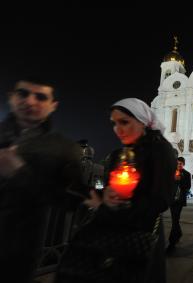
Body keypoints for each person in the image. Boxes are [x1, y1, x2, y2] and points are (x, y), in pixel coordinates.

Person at [55, 98, 176, 283]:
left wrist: (103, 207)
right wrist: (103, 193)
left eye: (124, 122)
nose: (117, 129)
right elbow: (114, 188)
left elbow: (159, 200)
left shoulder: (161, 150)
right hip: (112, 232)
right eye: (114, 123)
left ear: (143, 121)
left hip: (139, 235)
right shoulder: (124, 152)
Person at [0, 78, 88, 283]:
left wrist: (19, 172)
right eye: (23, 93)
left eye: (40, 97)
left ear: (52, 106)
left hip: (17, 250)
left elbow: (73, 198)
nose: (30, 101)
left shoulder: (63, 148)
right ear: (12, 98)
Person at [166, 157, 191, 254]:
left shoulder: (187, 174)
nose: (179, 165)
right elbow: (168, 184)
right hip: (172, 200)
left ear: (183, 164)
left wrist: (180, 179)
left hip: (180, 201)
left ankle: (172, 243)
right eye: (177, 163)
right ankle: (178, 234)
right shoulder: (171, 173)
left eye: (180, 163)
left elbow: (188, 187)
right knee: (175, 219)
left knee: (175, 219)